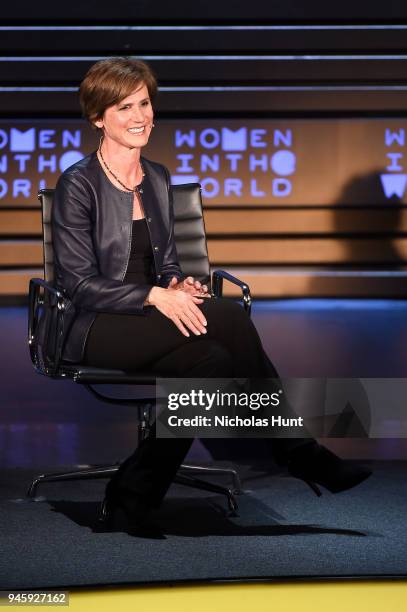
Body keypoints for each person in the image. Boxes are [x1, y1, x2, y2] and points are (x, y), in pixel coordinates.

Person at [51, 57, 371, 533]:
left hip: (152, 315)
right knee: (231, 320)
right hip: (95, 324)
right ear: (99, 118)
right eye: (124, 108)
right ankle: (299, 452)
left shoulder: (156, 178)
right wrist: (159, 297)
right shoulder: (78, 185)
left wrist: (179, 285)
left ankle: (130, 496)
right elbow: (79, 284)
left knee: (214, 366)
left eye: (145, 103)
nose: (141, 116)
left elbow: (169, 265)